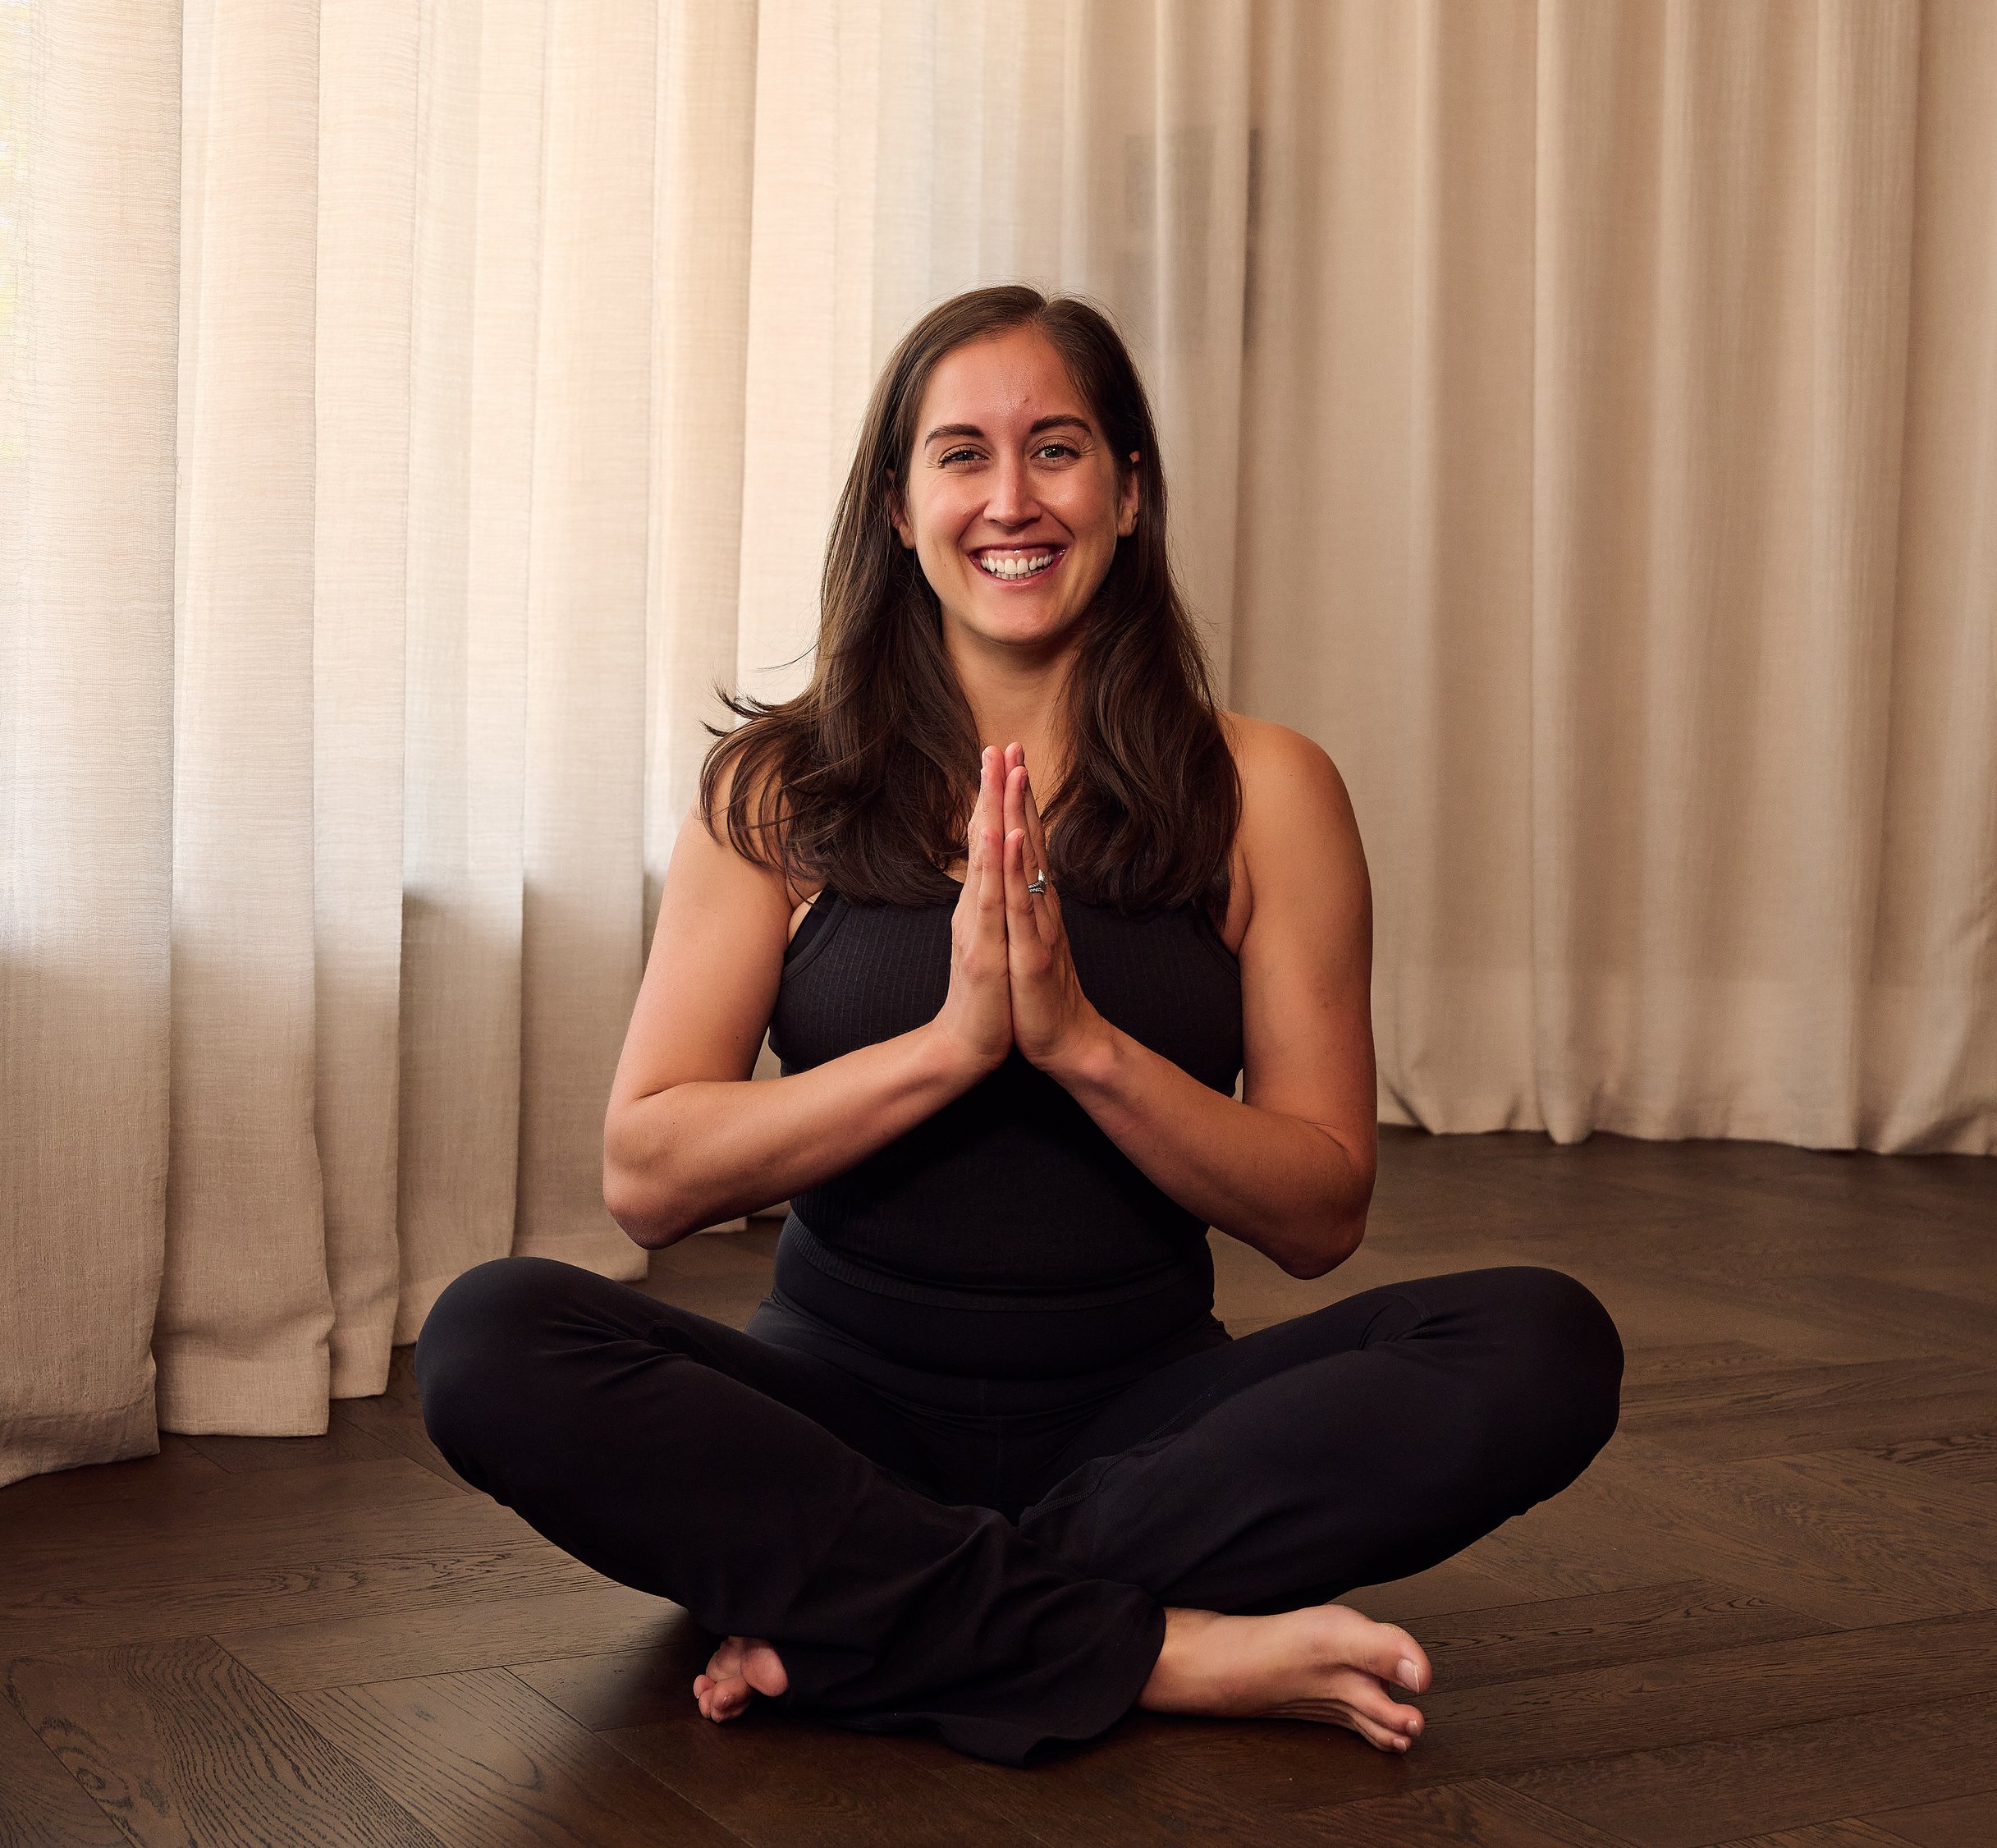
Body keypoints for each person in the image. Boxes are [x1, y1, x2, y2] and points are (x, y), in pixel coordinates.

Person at [416, 285, 1622, 1767]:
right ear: (898, 507)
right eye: (961, 456)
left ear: (1129, 490)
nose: (1011, 500)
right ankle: (1156, 1651)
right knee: (488, 1337)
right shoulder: (777, 790)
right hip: (833, 1415)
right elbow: (649, 1176)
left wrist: (1082, 1047)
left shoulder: (1266, 791)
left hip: (1150, 1427)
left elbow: (1320, 1211)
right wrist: (950, 1045)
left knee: (1543, 1342)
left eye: (1057, 449)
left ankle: (866, 1604)